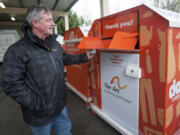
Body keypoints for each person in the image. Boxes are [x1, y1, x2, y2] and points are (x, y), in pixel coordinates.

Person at [1, 5, 93, 135]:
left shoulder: (54, 44)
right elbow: (10, 83)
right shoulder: (18, 50)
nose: (53, 24)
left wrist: (84, 56)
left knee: (65, 132)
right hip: (39, 114)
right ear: (35, 23)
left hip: (59, 106)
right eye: (48, 20)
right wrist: (35, 103)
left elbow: (65, 58)